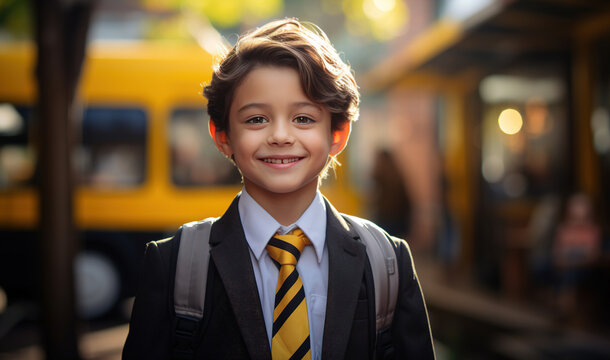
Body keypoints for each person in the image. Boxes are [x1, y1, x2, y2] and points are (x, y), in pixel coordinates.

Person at [123, 18, 434, 359]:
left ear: (337, 135)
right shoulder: (174, 264)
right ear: (222, 136)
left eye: (303, 118)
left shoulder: (388, 261)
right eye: (256, 119)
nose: (281, 136)